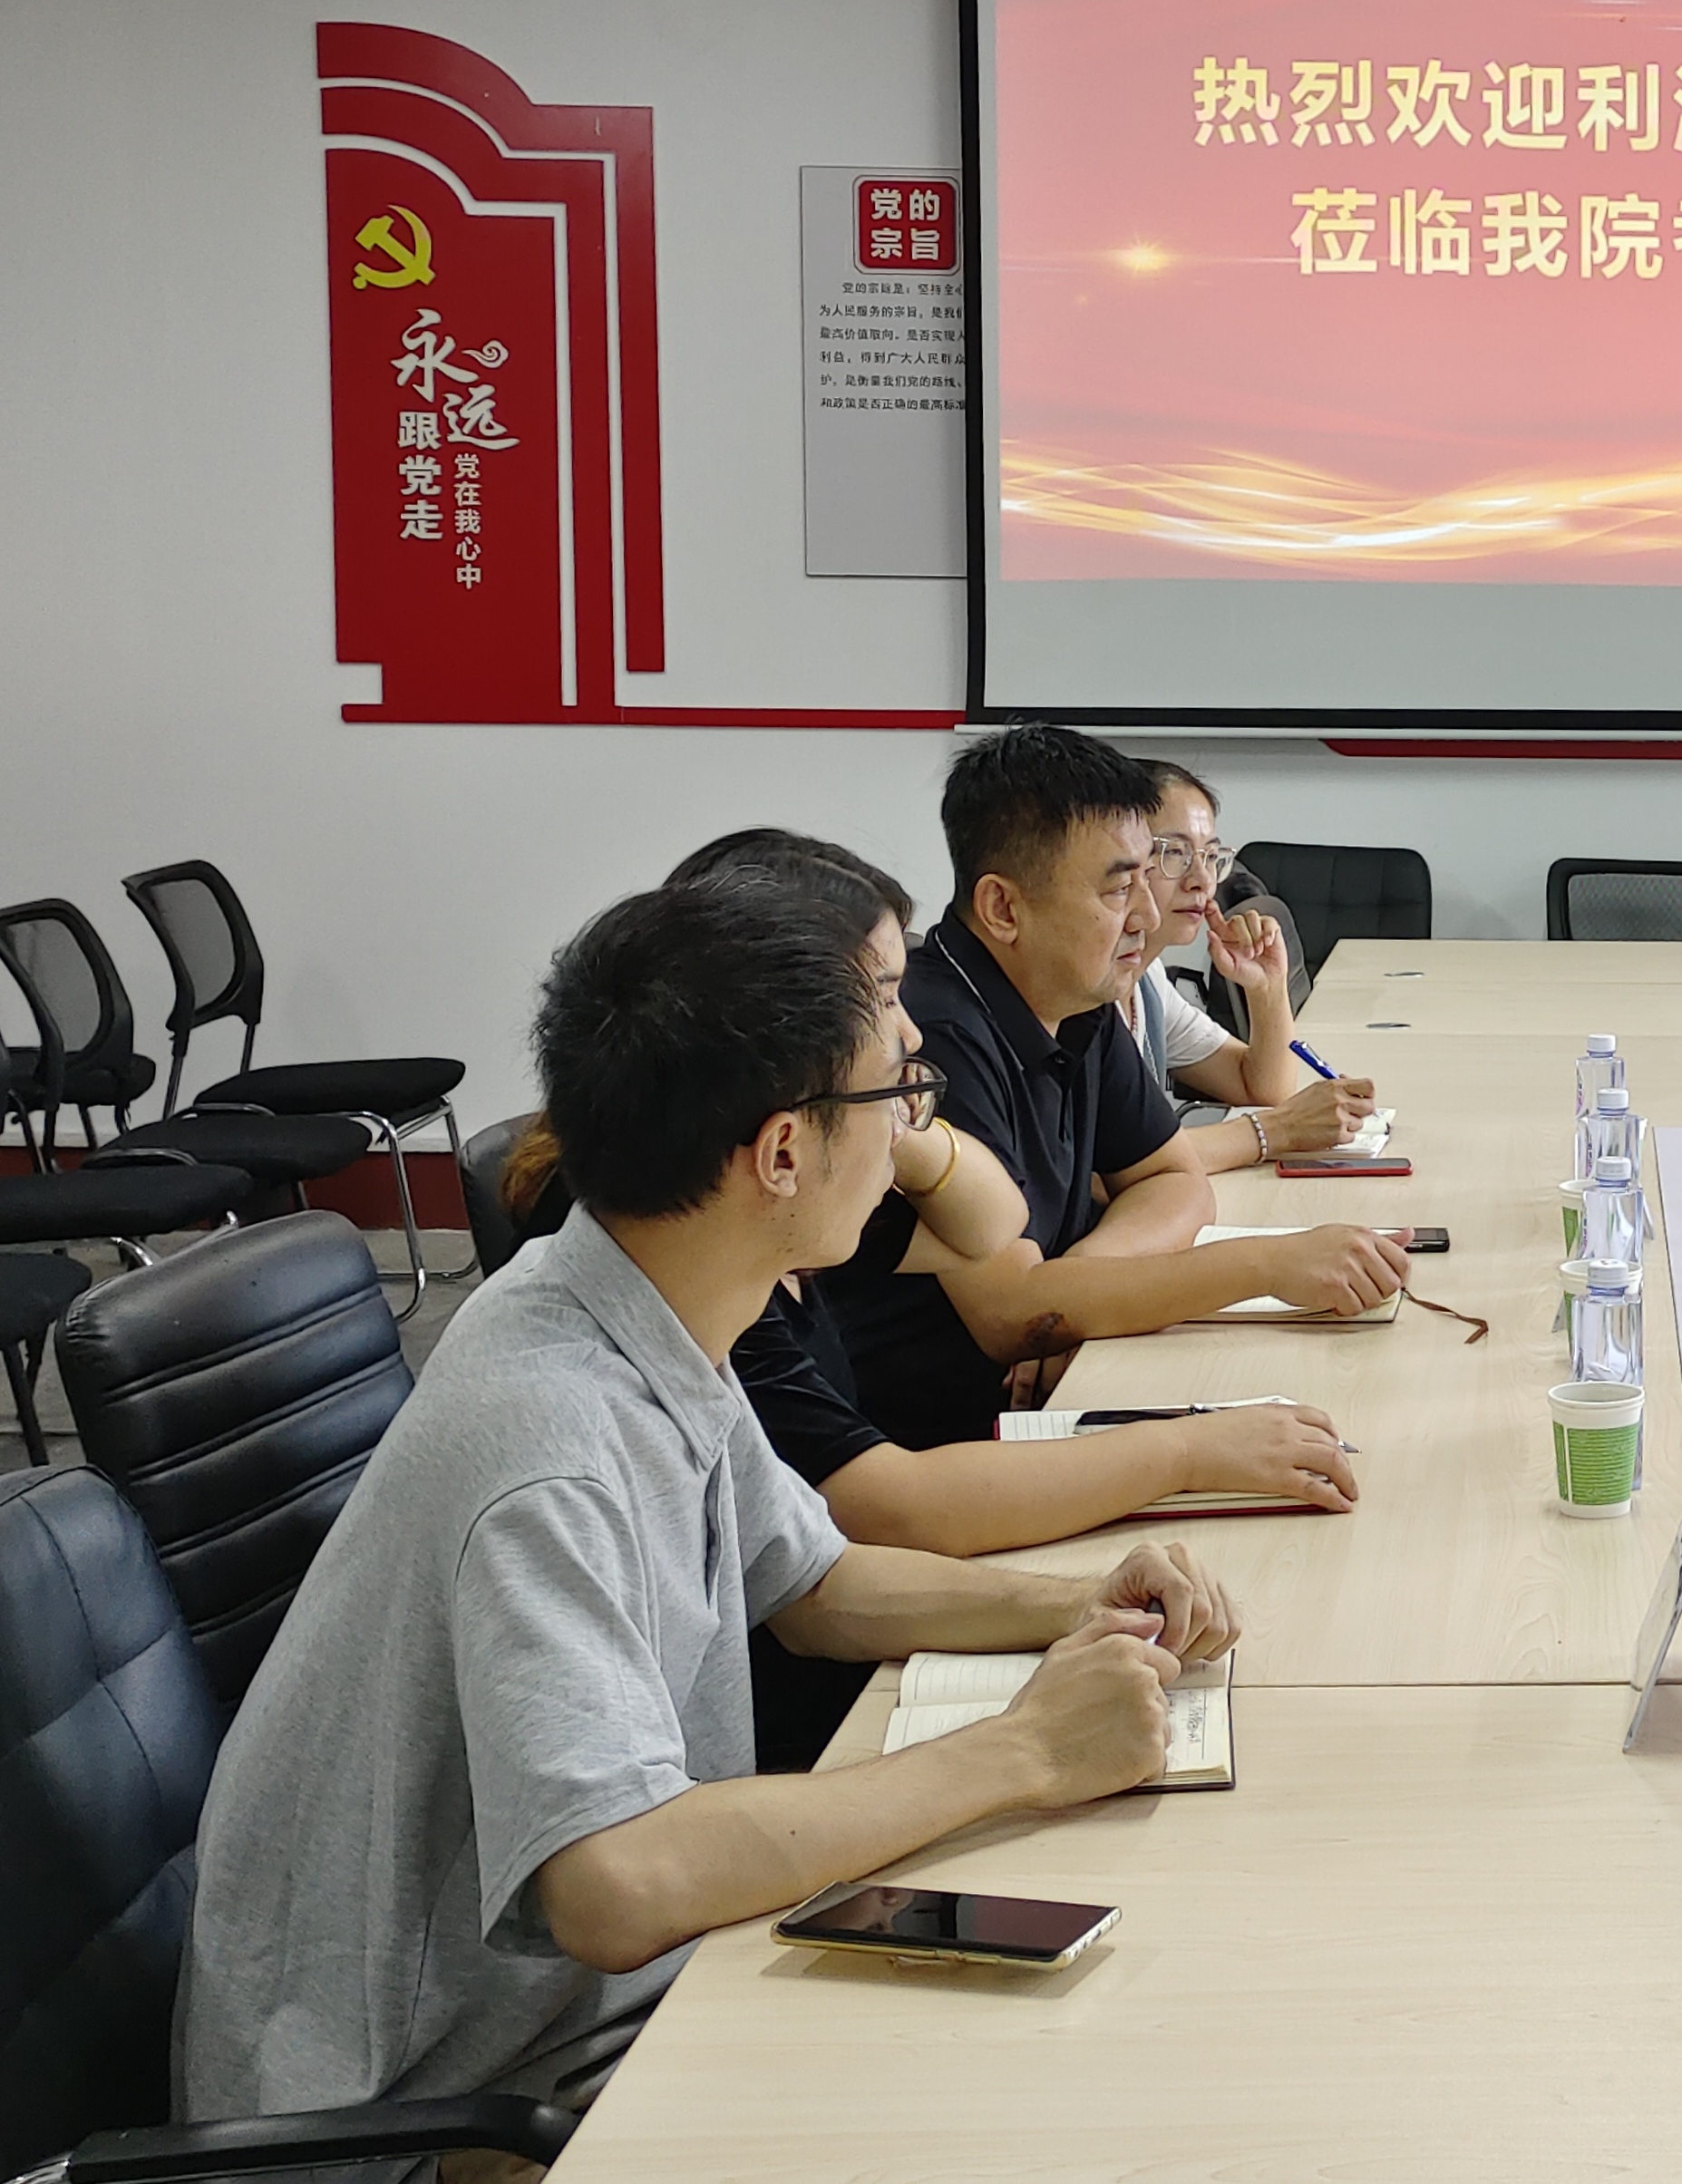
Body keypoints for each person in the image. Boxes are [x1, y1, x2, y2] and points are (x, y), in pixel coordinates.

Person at [176, 871, 1238, 2122]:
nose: (916, 1115)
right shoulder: (550, 1441)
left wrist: (1075, 1607)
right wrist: (1027, 1749)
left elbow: (818, 1586)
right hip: (430, 2110)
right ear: (783, 1153)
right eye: (898, 1091)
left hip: (590, 2017)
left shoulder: (637, 1302)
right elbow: (616, 1885)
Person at [647, 833, 1365, 1769]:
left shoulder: (761, 1211)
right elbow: (886, 1511)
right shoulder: (697, 1280)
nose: (912, 1036)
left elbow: (812, 1588)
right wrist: (1186, 1450)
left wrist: (896, 1124)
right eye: (883, 1000)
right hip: (796, 1729)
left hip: (834, 1654)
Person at [827, 723, 1408, 1453]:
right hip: (942, 1445)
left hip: (1064, 1388)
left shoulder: (1082, 998)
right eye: (1117, 888)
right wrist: (1267, 1264)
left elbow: (1174, 1179)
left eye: (1144, 880)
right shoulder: (930, 1038)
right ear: (1004, 909)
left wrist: (1074, 1287)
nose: (1146, 916)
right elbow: (1009, 1317)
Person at [1121, 758, 1378, 1154]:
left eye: (1210, 856)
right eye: (1176, 853)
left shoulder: (1148, 980)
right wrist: (1277, 1130)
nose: (1202, 880)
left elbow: (1260, 1088)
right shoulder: (1077, 993)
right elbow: (1108, 1170)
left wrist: (1266, 987)